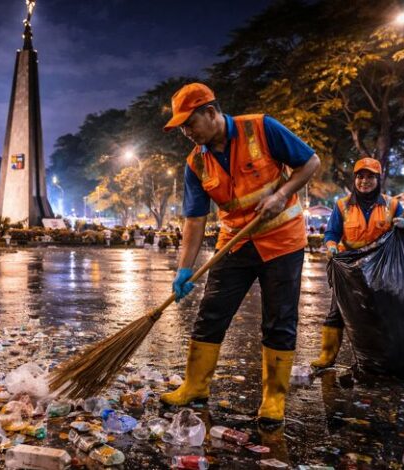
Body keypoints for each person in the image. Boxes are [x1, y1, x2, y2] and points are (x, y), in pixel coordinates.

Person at [161, 82, 320, 427]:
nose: (186, 132)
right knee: (211, 313)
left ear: (210, 112)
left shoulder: (261, 128)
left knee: (279, 321)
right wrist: (183, 269)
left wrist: (283, 194)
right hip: (236, 242)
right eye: (182, 127)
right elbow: (194, 220)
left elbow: (310, 162)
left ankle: (273, 400)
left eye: (190, 123)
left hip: (282, 242)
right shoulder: (196, 163)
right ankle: (194, 386)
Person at [312, 157, 404, 369]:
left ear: (379, 179)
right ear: (355, 179)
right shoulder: (342, 205)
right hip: (350, 269)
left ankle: (382, 359)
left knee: (382, 313)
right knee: (337, 311)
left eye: (370, 177)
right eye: (360, 176)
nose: (364, 181)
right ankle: (327, 355)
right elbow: (332, 232)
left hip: (380, 269)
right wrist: (331, 245)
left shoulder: (393, 205)